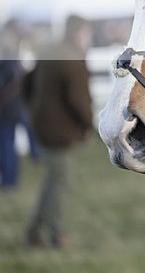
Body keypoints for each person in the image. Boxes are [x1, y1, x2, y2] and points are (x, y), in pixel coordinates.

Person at [25, 15, 94, 248]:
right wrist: (87, 127)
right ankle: (57, 234)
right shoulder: (72, 57)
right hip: (58, 131)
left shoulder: (49, 50)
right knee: (60, 181)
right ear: (78, 33)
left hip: (41, 125)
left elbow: (26, 83)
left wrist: (34, 110)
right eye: (86, 32)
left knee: (53, 179)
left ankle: (34, 232)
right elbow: (80, 101)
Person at [0, 21, 25, 189]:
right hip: (12, 107)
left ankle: (10, 181)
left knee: (6, 144)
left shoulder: (8, 57)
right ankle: (10, 179)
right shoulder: (13, 54)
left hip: (7, 108)